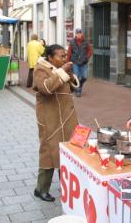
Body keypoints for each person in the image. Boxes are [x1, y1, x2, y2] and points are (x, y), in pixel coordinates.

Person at [33, 44, 79, 202]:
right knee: (48, 152)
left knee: (67, 151)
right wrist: (61, 72)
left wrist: (70, 76)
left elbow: (69, 89)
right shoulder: (40, 69)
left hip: (66, 117)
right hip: (50, 119)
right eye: (61, 56)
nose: (65, 58)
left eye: (66, 55)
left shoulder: (60, 68)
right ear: (50, 57)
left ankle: (65, 185)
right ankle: (40, 189)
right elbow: (46, 88)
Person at [67, 29, 92, 97]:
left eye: (80, 33)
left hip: (83, 62)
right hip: (75, 62)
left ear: (81, 34)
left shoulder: (85, 42)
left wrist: (87, 57)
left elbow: (90, 51)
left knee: (84, 77)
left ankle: (78, 86)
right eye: (77, 33)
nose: (78, 34)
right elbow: (69, 52)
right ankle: (78, 91)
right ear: (75, 34)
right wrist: (68, 62)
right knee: (76, 77)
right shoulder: (72, 42)